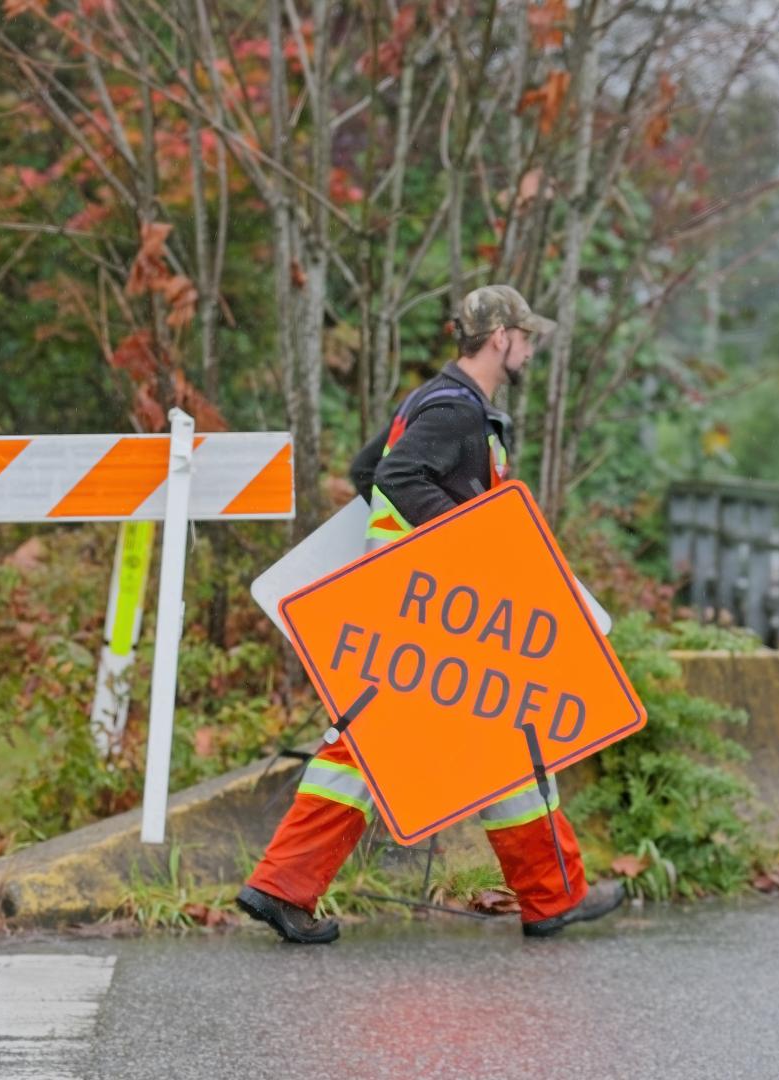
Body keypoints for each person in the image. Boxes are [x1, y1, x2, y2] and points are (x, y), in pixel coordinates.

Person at [237, 284, 626, 943]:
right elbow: (398, 478)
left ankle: (551, 895)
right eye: (526, 335)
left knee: (488, 742)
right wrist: (461, 542)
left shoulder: (432, 399)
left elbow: (368, 469)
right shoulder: (457, 413)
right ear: (499, 336)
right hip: (420, 609)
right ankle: (283, 887)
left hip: (416, 605)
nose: (530, 346)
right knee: (433, 743)